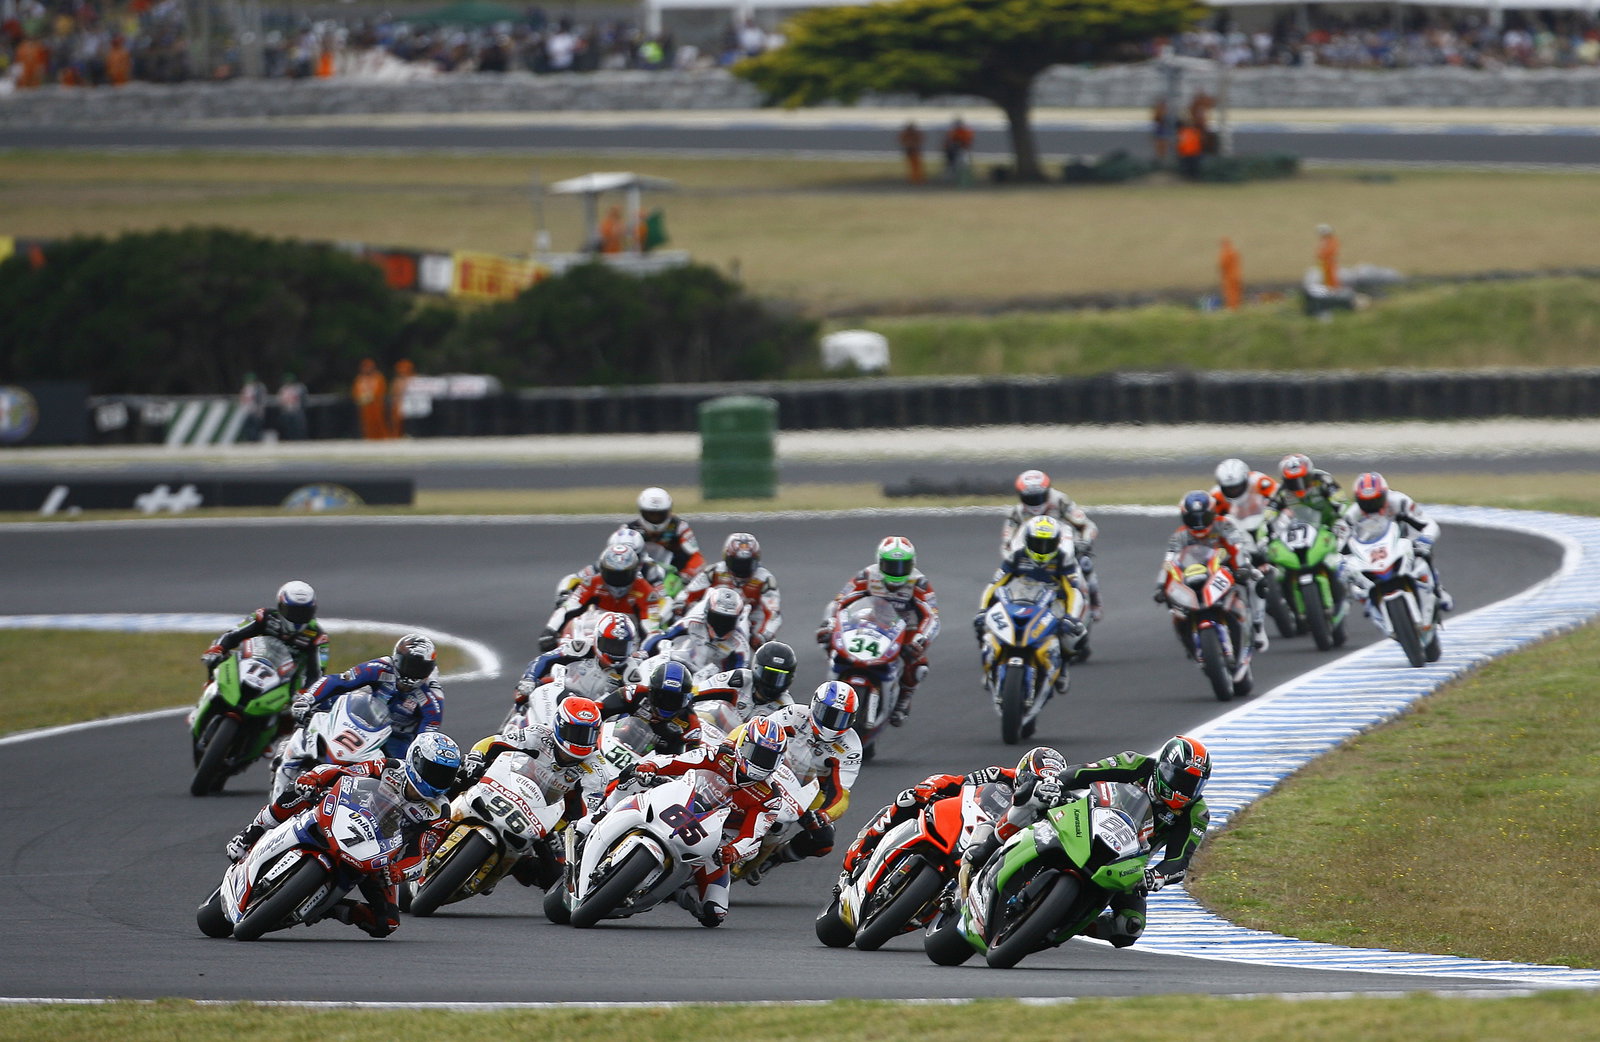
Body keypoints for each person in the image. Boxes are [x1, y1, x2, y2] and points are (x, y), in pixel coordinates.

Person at [223, 732, 464, 938]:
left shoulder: (439, 811)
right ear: (415, 760)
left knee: (386, 924)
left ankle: (328, 908)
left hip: (377, 854)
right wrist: (315, 779)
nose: (437, 779)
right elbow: (343, 772)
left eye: (444, 775)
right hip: (342, 815)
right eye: (432, 770)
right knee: (299, 791)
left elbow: (422, 854)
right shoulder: (389, 767)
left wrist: (398, 871)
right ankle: (251, 833)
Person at [988, 737, 1213, 949]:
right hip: (1086, 822)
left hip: (1127, 861)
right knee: (1037, 799)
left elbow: (1179, 859)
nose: (1185, 790)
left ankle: (1065, 920)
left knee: (1130, 927)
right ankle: (986, 848)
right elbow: (1084, 772)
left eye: (1193, 785)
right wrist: (1057, 783)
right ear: (1163, 768)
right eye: (1181, 780)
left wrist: (1156, 876)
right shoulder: (1135, 763)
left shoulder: (1196, 813)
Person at [601, 715, 795, 928]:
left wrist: (733, 852)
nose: (760, 762)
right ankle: (599, 817)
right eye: (755, 753)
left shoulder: (770, 797)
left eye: (768, 758)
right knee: (633, 780)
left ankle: (677, 890)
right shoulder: (719, 755)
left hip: (716, 839)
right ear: (742, 745)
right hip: (682, 804)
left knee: (715, 913)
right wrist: (652, 766)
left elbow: (753, 837)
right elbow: (678, 761)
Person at [453, 695, 610, 889]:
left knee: (555, 877)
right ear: (560, 726)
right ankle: (432, 818)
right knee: (460, 772)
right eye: (576, 732)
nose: (581, 741)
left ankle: (507, 865)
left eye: (588, 735)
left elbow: (589, 814)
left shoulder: (597, 771)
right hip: (507, 788)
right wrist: (477, 757)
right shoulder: (539, 734)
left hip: (549, 821)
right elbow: (493, 743)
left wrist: (571, 832)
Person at [744, 680, 863, 882]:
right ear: (815, 706)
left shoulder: (851, 747)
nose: (834, 723)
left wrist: (824, 815)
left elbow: (840, 794)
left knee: (824, 840)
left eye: (842, 718)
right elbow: (755, 732)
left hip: (810, 792)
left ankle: (775, 857)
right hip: (772, 771)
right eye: (829, 714)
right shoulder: (793, 714)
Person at [816, 536, 940, 727]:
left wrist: (920, 640)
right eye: (891, 565)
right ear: (880, 562)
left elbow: (932, 617)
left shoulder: (919, 583)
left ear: (912, 564)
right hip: (868, 621)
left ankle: (903, 700)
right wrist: (830, 624)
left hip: (904, 629)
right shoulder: (867, 575)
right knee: (828, 639)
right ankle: (834, 673)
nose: (896, 572)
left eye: (902, 566)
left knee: (919, 665)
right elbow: (840, 602)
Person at [838, 757, 1022, 880]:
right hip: (962, 819)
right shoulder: (1006, 775)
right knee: (908, 799)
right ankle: (862, 847)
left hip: (986, 845)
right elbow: (959, 781)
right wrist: (930, 786)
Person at [289, 633, 445, 760]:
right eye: (410, 665)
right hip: (362, 722)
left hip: (395, 738)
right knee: (323, 708)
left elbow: (425, 739)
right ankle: (291, 750)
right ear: (397, 659)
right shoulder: (380, 668)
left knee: (403, 774)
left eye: (420, 668)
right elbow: (339, 681)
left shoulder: (432, 699)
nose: (413, 673)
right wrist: (307, 699)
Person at [976, 516, 1090, 690]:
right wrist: (983, 610)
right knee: (984, 624)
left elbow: (1073, 591)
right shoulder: (1017, 556)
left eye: (1047, 544)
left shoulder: (1064, 559)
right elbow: (995, 584)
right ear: (1028, 540)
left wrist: (1070, 617)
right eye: (1038, 543)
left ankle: (1062, 668)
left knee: (1071, 637)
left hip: (1052, 602)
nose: (1042, 549)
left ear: (1057, 543)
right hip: (1018, 598)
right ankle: (991, 664)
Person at [1155, 491, 1268, 652]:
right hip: (1193, 572)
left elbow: (1238, 546)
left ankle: (1257, 627)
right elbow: (1169, 561)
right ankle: (1187, 637)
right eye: (1193, 519)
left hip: (1226, 566)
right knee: (1171, 600)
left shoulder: (1224, 524)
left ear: (1212, 513)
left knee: (1257, 579)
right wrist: (1161, 585)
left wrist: (1243, 567)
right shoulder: (1179, 536)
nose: (1199, 524)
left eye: (1204, 517)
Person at [1342, 471, 1454, 613]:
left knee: (1422, 555)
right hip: (1372, 552)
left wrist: (1424, 539)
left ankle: (1438, 589)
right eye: (1365, 503)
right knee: (1354, 584)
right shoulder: (1351, 515)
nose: (1371, 507)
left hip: (1405, 543)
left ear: (1384, 494)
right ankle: (1371, 602)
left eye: (1375, 500)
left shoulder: (1399, 501)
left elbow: (1428, 524)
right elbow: (1340, 542)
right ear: (1358, 501)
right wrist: (1341, 560)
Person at [1000, 469, 1102, 620]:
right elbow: (1007, 541)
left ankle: (1094, 603)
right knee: (1007, 573)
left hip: (1063, 548)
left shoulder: (1060, 501)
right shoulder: (1017, 512)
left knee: (1085, 565)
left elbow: (1089, 526)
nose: (1035, 502)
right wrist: (1011, 556)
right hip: (1031, 552)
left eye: (1039, 496)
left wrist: (1084, 543)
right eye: (1030, 498)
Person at [200, 579, 329, 693]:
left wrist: (305, 692)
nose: (298, 617)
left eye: (304, 612)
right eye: (293, 611)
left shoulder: (318, 637)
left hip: (287, 683)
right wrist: (217, 649)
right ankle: (211, 690)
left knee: (298, 714)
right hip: (253, 666)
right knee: (218, 661)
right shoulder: (264, 616)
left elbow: (317, 673)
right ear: (280, 606)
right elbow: (233, 635)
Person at [541, 543, 665, 651]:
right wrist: (550, 630)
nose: (617, 580)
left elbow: (651, 629)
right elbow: (568, 607)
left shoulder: (647, 592)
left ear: (634, 572)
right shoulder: (592, 582)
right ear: (603, 570)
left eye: (622, 575)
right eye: (612, 574)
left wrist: (645, 651)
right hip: (592, 636)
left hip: (627, 643)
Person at [672, 531, 781, 646]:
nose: (741, 568)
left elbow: (774, 614)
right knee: (677, 614)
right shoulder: (714, 571)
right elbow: (689, 592)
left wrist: (763, 635)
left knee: (769, 645)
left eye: (747, 563)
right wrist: (680, 603)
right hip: (713, 616)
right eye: (737, 562)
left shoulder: (765, 580)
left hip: (748, 621)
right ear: (727, 558)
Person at [518, 611, 638, 712]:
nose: (615, 651)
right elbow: (544, 659)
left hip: (595, 712)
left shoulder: (630, 670)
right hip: (561, 695)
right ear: (597, 638)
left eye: (621, 647)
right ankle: (512, 723)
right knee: (525, 692)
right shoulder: (582, 647)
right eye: (611, 645)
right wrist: (530, 678)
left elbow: (633, 700)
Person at [599, 659, 707, 757]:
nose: (667, 704)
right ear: (650, 690)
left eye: (674, 700)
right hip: (616, 744)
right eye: (661, 697)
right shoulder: (634, 693)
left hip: (654, 767)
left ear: (685, 699)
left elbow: (693, 759)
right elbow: (599, 709)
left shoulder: (691, 723)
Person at [641, 585, 750, 677]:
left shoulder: (740, 645)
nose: (722, 624)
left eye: (728, 620)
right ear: (707, 613)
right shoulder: (693, 622)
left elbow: (738, 675)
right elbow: (661, 637)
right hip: (688, 666)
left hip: (714, 681)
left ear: (738, 619)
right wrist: (643, 655)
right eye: (717, 618)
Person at [694, 639, 800, 721]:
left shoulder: (786, 708)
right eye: (769, 675)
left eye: (780, 678)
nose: (772, 682)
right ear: (756, 668)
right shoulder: (739, 679)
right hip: (711, 732)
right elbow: (697, 691)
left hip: (743, 747)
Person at [628, 487, 706, 590]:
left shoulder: (680, 527)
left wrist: (687, 575)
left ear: (668, 512)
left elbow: (697, 558)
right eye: (651, 514)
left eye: (660, 515)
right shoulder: (629, 530)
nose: (655, 518)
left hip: (672, 577)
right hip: (639, 577)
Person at [1267, 453, 1347, 530]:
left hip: (1329, 524)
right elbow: (1270, 510)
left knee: (1342, 525)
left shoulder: (1323, 479)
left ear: (1310, 474)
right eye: (1293, 482)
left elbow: (1342, 500)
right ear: (1285, 481)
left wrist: (1340, 519)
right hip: (1301, 528)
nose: (1299, 486)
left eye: (1304, 479)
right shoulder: (1283, 491)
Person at [352, 357, 389, 440]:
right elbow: (356, 391)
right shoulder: (360, 379)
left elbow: (381, 390)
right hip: (365, 405)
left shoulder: (378, 377)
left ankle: (383, 438)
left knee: (379, 422)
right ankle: (369, 438)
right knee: (366, 423)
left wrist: (372, 397)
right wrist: (360, 398)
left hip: (376, 405)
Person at [274, 372, 308, 441]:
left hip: (296, 410)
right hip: (286, 411)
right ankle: (287, 439)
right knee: (287, 428)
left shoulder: (299, 388)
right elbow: (280, 400)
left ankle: (299, 439)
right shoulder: (283, 389)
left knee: (298, 427)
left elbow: (302, 400)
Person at [942, 116, 974, 184]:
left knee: (964, 166)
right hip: (954, 152)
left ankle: (964, 180)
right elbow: (949, 141)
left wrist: (959, 144)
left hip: (962, 151)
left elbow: (966, 142)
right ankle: (954, 180)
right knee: (953, 167)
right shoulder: (953, 132)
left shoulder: (965, 131)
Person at [389, 358, 415, 438]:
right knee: (397, 420)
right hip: (399, 404)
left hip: (410, 404)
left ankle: (410, 433)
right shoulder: (397, 381)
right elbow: (394, 393)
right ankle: (397, 434)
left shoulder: (412, 379)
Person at [237, 372, 267, 442]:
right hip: (247, 410)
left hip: (256, 411)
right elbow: (242, 399)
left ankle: (256, 441)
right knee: (248, 428)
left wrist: (260, 410)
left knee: (256, 427)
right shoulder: (246, 388)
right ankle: (249, 440)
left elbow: (261, 400)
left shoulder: (259, 388)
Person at [1218, 237, 1242, 311]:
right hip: (1237, 275)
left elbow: (1223, 265)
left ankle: (1232, 307)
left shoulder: (1225, 253)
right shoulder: (1234, 252)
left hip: (1229, 276)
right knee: (1236, 291)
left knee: (1230, 292)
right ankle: (1236, 306)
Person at [898, 120, 925, 184]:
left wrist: (912, 145)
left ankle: (917, 178)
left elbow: (920, 140)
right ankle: (914, 178)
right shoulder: (907, 134)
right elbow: (902, 140)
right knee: (912, 166)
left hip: (914, 150)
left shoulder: (914, 134)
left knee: (916, 165)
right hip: (910, 150)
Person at [1316, 223, 1341, 290]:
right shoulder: (1324, 241)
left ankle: (1333, 289)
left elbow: (1330, 251)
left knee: (1331, 277)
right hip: (1324, 263)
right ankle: (1327, 288)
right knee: (1325, 277)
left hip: (1329, 263)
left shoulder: (1332, 241)